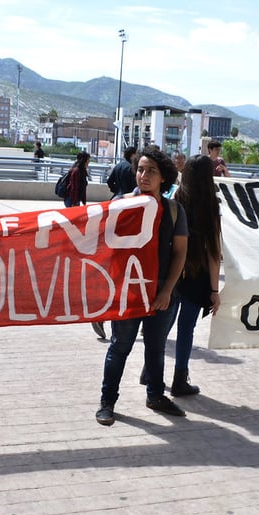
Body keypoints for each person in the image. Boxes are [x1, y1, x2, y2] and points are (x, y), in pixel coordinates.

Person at [96, 147, 188, 426]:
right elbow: (102, 247)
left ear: (164, 178)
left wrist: (166, 290)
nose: (143, 176)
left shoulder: (174, 210)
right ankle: (107, 401)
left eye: (151, 171)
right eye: (140, 169)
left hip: (162, 293)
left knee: (155, 347)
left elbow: (180, 253)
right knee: (119, 347)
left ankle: (155, 395)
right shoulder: (121, 205)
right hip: (128, 292)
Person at [170, 155, 221, 396]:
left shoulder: (175, 199)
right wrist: (214, 290)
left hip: (172, 273)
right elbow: (214, 252)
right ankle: (180, 378)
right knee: (186, 329)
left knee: (161, 326)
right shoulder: (211, 206)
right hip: (196, 274)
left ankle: (150, 370)